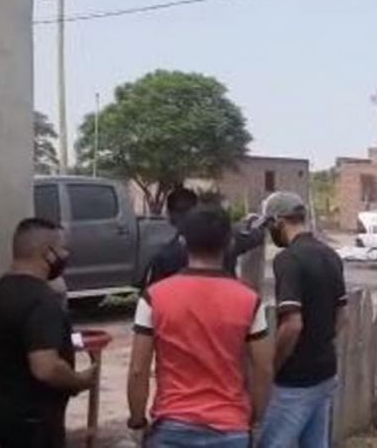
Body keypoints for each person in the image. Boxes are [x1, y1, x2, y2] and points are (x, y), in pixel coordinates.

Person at [128, 205, 274, 448]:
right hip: (230, 428)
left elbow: (137, 369)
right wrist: (256, 420)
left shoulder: (153, 297)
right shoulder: (249, 300)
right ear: (229, 243)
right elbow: (263, 368)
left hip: (172, 426)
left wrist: (137, 422)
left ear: (183, 242)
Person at [0, 218, 97, 448]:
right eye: (62, 249)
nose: (65, 255)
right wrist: (79, 381)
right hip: (34, 420)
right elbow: (46, 368)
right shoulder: (42, 301)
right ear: (48, 253)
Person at [257, 192, 348, 448]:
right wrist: (320, 344)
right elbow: (342, 316)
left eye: (270, 226)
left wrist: (273, 366)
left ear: (279, 222)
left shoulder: (288, 260)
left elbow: (292, 324)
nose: (270, 233)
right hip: (326, 370)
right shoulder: (330, 255)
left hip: (295, 378)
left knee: (273, 443)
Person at [140, 188, 267, 289]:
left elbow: (151, 296)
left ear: (169, 216)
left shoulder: (163, 257)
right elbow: (254, 237)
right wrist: (257, 224)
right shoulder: (223, 240)